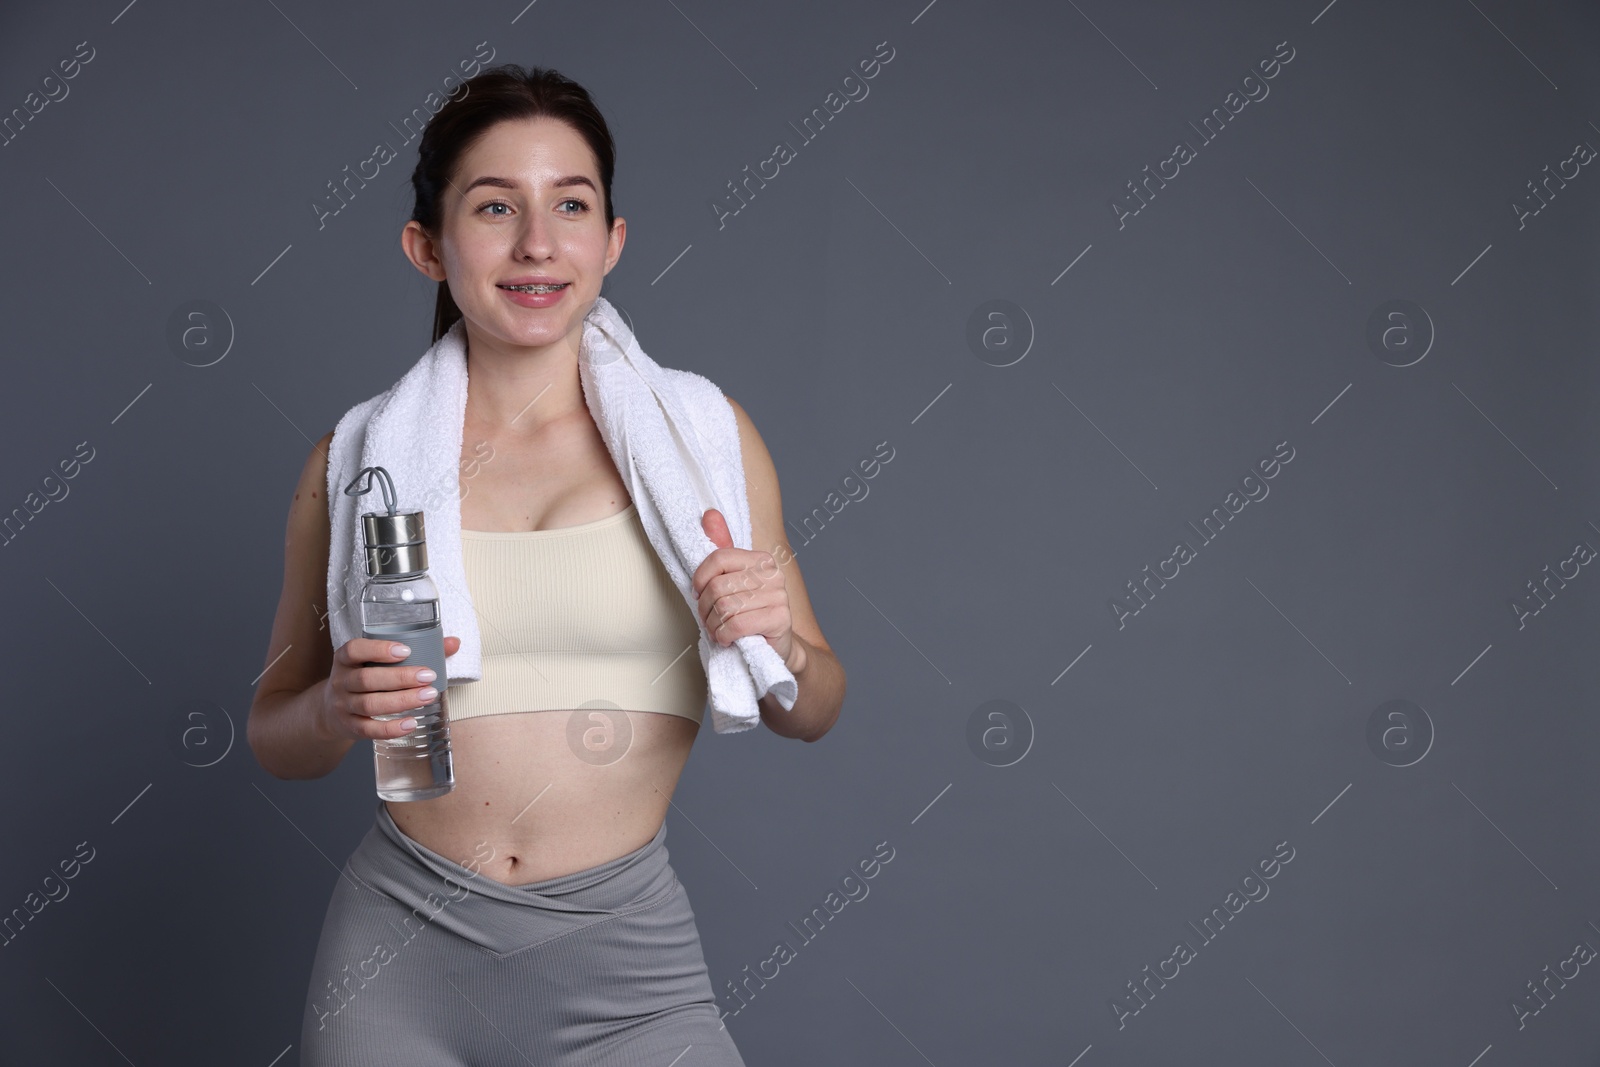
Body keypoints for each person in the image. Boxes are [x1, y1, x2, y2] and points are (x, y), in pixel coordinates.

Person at [247, 64, 846, 1066]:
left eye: (570, 203)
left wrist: (777, 635)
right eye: (494, 206)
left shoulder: (703, 439)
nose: (536, 241)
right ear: (427, 247)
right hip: (396, 957)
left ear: (610, 240)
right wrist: (333, 709)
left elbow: (814, 703)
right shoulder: (351, 463)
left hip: (626, 972)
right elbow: (276, 731)